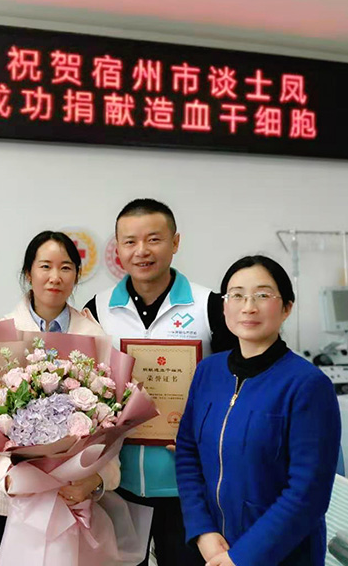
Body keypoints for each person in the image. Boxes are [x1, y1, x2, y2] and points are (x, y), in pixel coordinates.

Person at [83, 198, 235, 566]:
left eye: (153, 239)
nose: (142, 251)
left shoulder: (209, 307)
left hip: (190, 488)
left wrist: (206, 431)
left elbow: (235, 388)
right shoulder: (98, 309)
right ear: (118, 249)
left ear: (175, 242)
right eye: (130, 241)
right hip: (116, 486)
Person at [0, 231, 121, 566]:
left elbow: (114, 420)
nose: (55, 276)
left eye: (65, 267)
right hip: (7, 501)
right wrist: (2, 476)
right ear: (28, 273)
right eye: (45, 266)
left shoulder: (96, 338)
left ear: (76, 275)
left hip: (71, 496)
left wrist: (96, 478)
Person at [175, 255, 341, 566]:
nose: (248, 307)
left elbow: (308, 493)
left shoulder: (308, 385)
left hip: (279, 556)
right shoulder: (208, 372)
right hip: (211, 549)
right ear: (225, 306)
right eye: (237, 295)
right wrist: (203, 531)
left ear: (286, 307)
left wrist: (241, 558)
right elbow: (187, 453)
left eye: (262, 295)